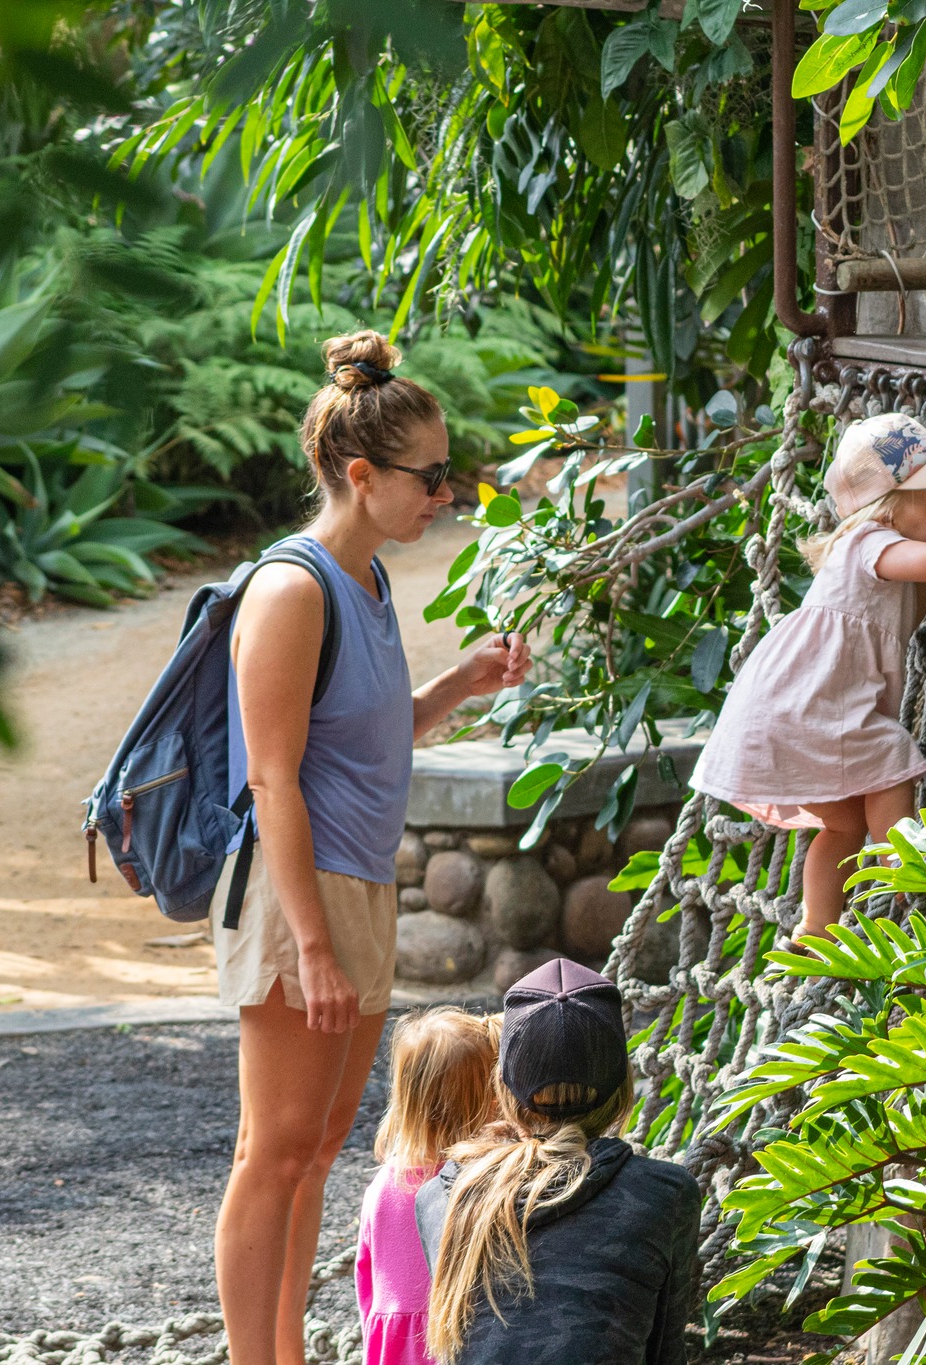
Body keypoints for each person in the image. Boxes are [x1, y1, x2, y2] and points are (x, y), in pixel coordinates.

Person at [215, 330, 531, 1365]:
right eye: (431, 476)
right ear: (361, 474)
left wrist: (458, 687)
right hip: (294, 896)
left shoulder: (369, 585)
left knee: (313, 1153)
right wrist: (309, 944)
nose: (445, 494)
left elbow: (360, 739)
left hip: (356, 887)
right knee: (271, 1153)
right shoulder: (291, 588)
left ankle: (287, 1353)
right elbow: (271, 779)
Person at [689, 413, 926, 937]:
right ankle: (905, 868)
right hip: (807, 708)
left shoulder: (871, 548)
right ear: (886, 511)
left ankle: (817, 924)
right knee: (892, 756)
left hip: (797, 706)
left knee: (843, 824)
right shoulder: (868, 541)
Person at [415, 959, 700, 1365]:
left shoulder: (440, 1197)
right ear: (622, 1085)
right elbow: (664, 1354)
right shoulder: (665, 1196)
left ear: (503, 1087)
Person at [356, 1008, 502, 1365]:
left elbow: (366, 1278)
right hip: (460, 1343)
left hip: (397, 1347)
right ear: (490, 1099)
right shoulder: (481, 1182)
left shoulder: (383, 1185)